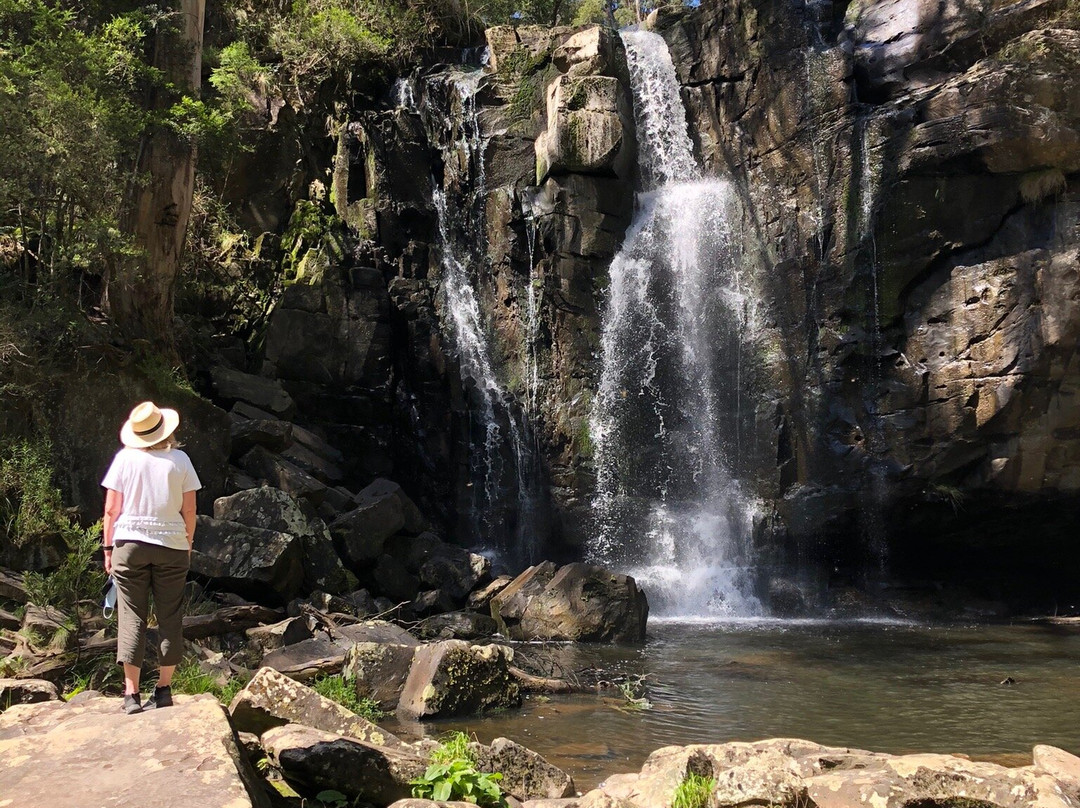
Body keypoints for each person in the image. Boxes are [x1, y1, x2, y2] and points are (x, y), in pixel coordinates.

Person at [101, 401, 201, 714]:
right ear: (165, 430)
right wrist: (187, 543)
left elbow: (110, 510)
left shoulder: (123, 459)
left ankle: (131, 695)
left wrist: (107, 548)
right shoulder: (181, 460)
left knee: (131, 615)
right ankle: (163, 689)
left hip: (129, 544)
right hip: (172, 545)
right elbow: (190, 510)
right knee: (170, 615)